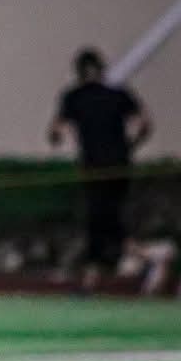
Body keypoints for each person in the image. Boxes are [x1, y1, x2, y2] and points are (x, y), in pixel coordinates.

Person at [48, 47, 152, 292]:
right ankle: (99, 272)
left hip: (94, 167)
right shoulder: (118, 94)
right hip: (120, 165)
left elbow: (55, 131)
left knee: (99, 218)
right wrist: (131, 146)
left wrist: (57, 138)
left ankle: (146, 256)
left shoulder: (74, 97)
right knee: (108, 216)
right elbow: (144, 124)